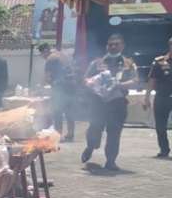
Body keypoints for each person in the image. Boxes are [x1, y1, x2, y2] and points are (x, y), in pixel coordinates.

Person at [81, 33, 139, 170]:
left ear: (122, 46)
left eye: (116, 44)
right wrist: (93, 83)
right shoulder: (97, 62)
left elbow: (135, 81)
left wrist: (120, 85)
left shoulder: (128, 63)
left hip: (117, 103)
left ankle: (111, 161)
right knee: (94, 128)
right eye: (110, 44)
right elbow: (85, 79)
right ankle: (90, 146)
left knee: (114, 133)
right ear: (107, 46)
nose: (113, 47)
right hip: (98, 102)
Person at [38, 43, 77, 142]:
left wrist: (39, 88)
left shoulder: (50, 59)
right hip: (72, 87)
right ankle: (70, 134)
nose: (42, 57)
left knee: (57, 112)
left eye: (41, 54)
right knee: (70, 112)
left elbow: (47, 77)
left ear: (45, 51)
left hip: (61, 88)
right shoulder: (62, 54)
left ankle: (58, 135)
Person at [144, 36, 172, 157]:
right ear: (169, 45)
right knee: (160, 126)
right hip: (163, 97)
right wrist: (146, 97)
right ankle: (164, 149)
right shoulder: (160, 61)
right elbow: (152, 80)